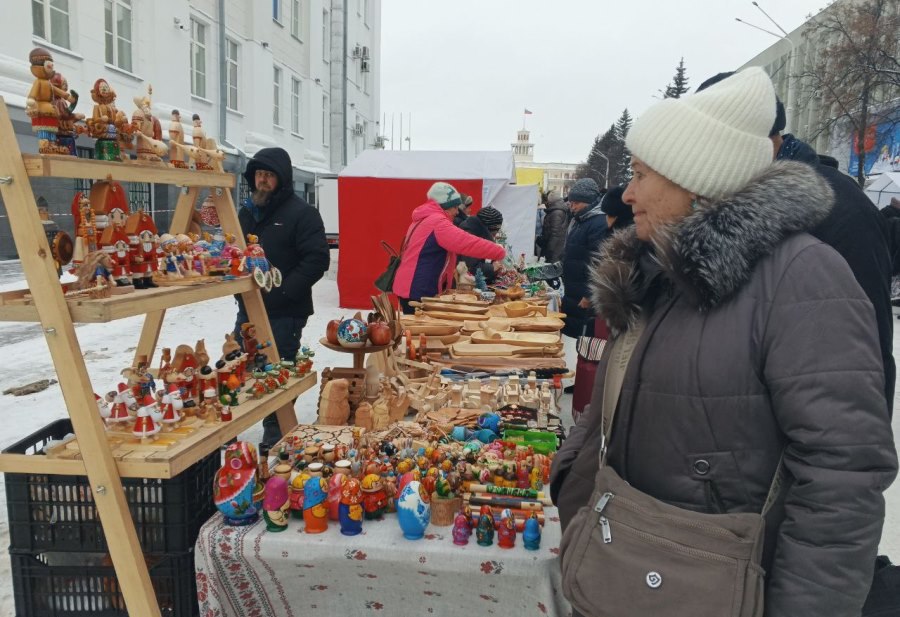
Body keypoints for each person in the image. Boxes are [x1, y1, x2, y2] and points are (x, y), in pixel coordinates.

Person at [551, 68, 896, 617]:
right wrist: (572, 480)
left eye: (642, 175)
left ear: (694, 178)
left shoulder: (804, 277)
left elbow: (842, 476)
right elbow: (608, 410)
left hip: (721, 587)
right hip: (631, 571)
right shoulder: (654, 270)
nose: (629, 193)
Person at [696, 72, 896, 415]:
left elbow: (864, 363)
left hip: (793, 444)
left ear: (764, 138)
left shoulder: (839, 207)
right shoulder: (723, 202)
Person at [234, 146, 330, 448]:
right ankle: (226, 433)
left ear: (282, 179)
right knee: (240, 371)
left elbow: (316, 259)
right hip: (248, 309)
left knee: (278, 374)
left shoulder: (302, 214)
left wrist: (285, 291)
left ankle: (275, 440)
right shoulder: (247, 213)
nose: (262, 181)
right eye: (258, 175)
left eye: (269, 176)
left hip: (284, 313)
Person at [393, 182, 506, 313]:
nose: (457, 212)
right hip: (418, 289)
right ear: (446, 206)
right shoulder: (438, 223)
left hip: (412, 286)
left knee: (420, 330)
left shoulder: (425, 218)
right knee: (423, 331)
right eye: (455, 207)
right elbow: (466, 242)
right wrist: (498, 251)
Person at [560, 178, 607, 339]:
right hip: (574, 289)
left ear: (589, 201)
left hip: (583, 293)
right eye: (571, 202)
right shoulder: (580, 220)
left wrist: (589, 294)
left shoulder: (598, 223)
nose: (572, 207)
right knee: (575, 334)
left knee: (585, 337)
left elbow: (600, 261)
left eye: (576, 203)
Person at [459, 205, 504, 284]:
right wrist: (492, 267)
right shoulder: (469, 236)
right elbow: (471, 267)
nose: (495, 235)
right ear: (488, 229)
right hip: (464, 285)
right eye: (494, 232)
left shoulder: (476, 232)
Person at [539, 189, 568, 263]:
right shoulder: (556, 211)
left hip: (553, 252)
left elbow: (555, 235)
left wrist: (548, 253)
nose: (545, 203)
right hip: (554, 250)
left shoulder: (556, 213)